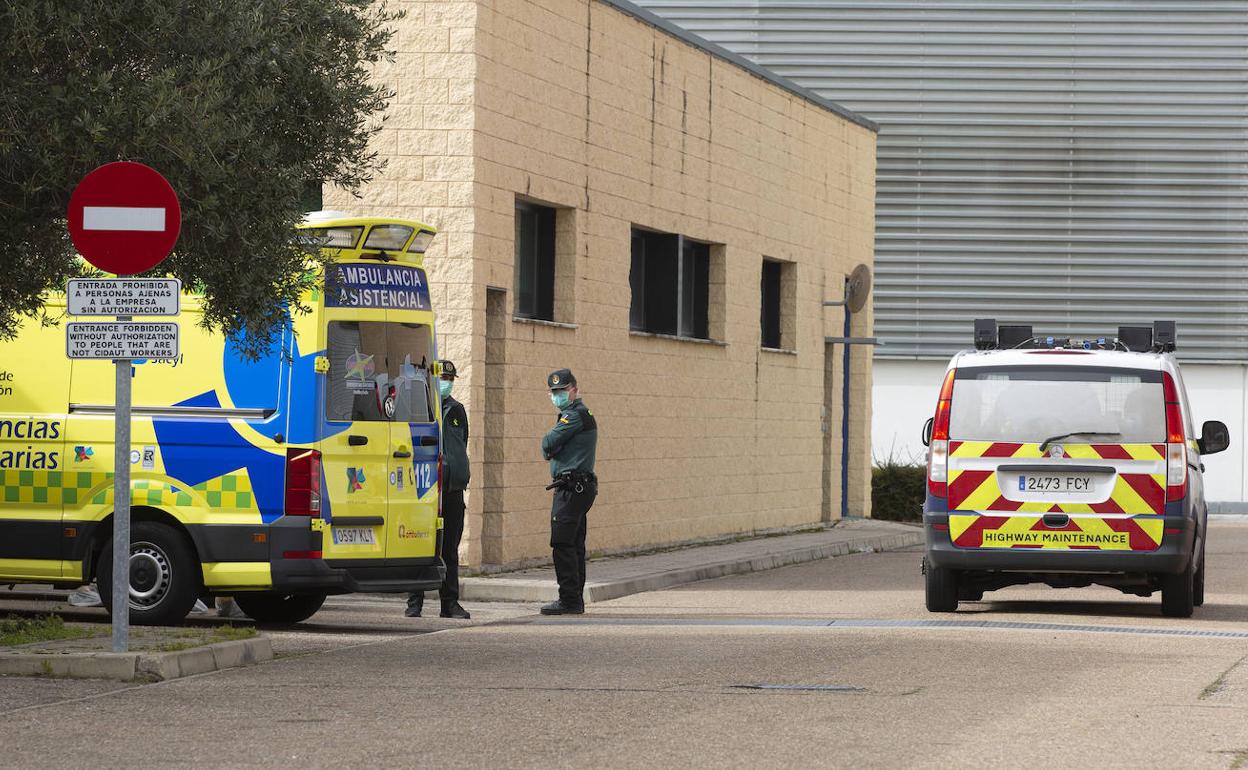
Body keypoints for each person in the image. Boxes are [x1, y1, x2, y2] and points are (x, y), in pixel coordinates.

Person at [406, 359, 471, 619]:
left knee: (449, 551)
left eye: (451, 379)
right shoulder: (418, 408)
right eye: (443, 378)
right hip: (425, 490)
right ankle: (414, 604)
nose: (446, 383)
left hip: (452, 490)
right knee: (419, 546)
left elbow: (461, 442)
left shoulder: (457, 410)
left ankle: (449, 603)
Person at [539, 368, 598, 615]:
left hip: (572, 487)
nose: (557, 395)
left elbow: (547, 443)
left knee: (563, 543)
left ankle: (569, 599)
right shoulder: (576, 415)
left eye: (562, 391)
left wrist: (553, 447)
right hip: (577, 486)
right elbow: (550, 448)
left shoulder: (574, 416)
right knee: (574, 544)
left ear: (574, 389)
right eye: (554, 392)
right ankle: (575, 600)